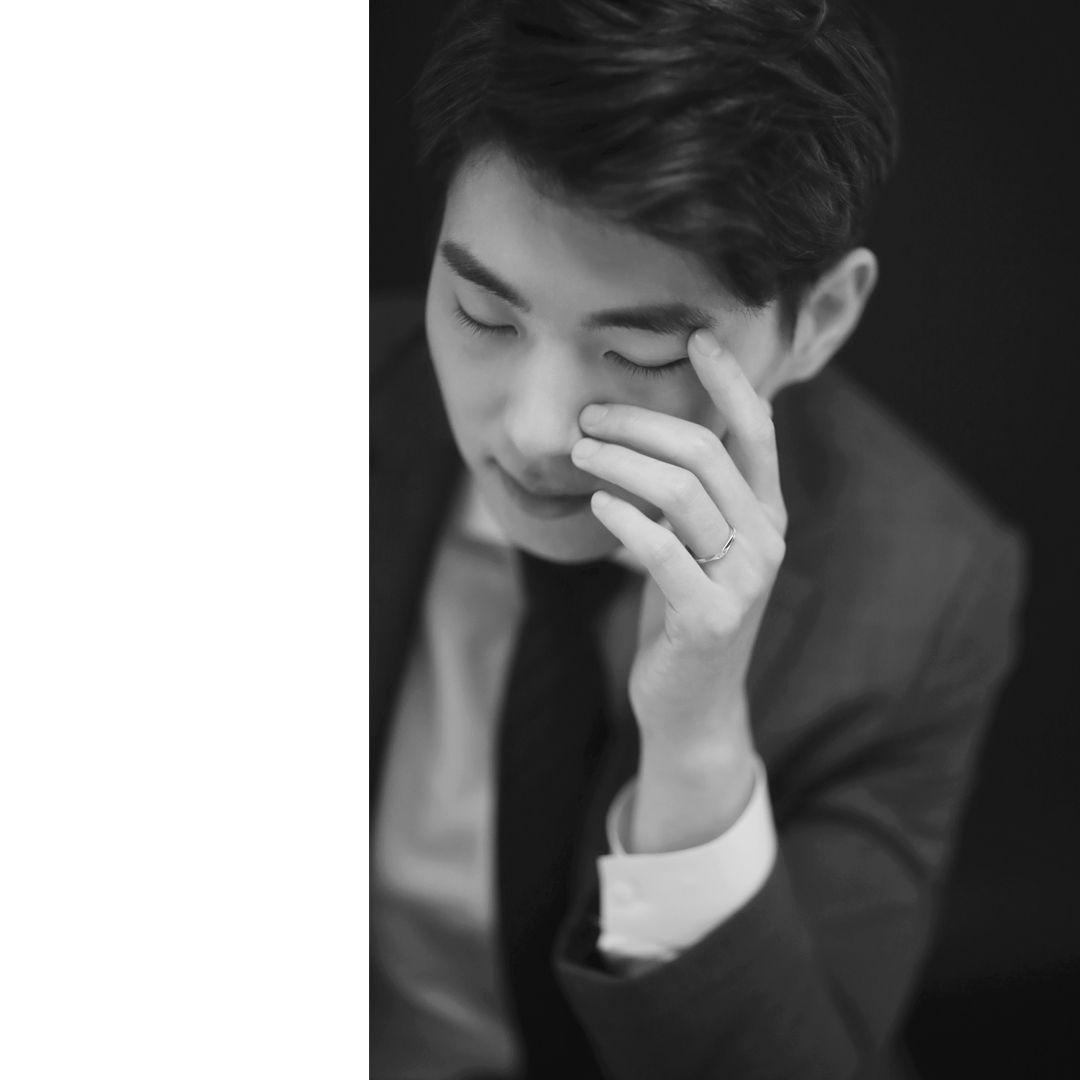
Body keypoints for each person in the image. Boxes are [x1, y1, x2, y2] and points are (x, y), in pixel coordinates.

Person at [369, 1, 1027, 1077]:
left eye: (636, 353)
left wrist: (699, 746)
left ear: (817, 321)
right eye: (486, 317)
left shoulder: (925, 584)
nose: (533, 430)